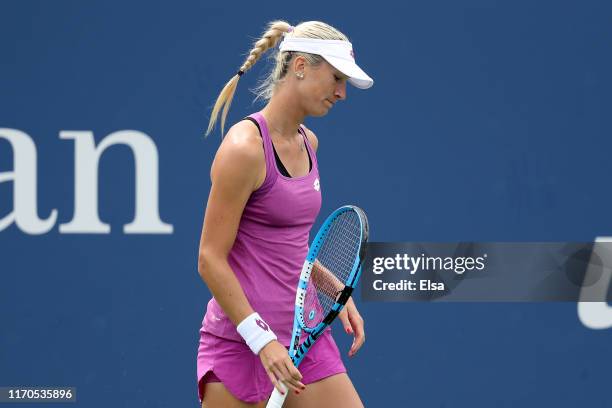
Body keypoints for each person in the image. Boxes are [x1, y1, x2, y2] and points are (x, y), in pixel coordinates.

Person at [196, 20, 373, 408]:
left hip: (303, 342)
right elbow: (209, 259)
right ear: (299, 66)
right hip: (241, 344)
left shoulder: (309, 143)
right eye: (336, 78)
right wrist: (262, 341)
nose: (342, 93)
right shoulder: (244, 149)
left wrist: (334, 293)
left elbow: (288, 246)